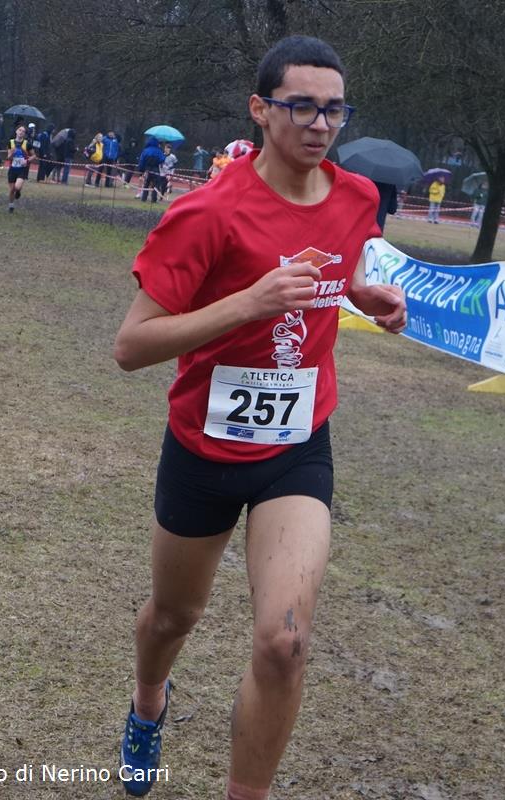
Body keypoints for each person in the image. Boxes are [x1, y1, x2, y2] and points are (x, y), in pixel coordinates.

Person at [112, 35, 407, 800]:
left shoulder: (357, 199)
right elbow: (131, 346)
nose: (320, 123)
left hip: (296, 445)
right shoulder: (208, 213)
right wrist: (248, 302)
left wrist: (361, 295)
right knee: (174, 617)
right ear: (260, 109)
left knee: (284, 643)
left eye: (333, 109)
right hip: (204, 447)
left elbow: (338, 267)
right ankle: (148, 702)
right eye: (301, 106)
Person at [5, 125, 33, 212]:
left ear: (24, 134)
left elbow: (34, 156)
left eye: (23, 131)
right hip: (12, 169)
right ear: (16, 131)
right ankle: (11, 205)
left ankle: (18, 191)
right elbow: (8, 158)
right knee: (12, 190)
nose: (21, 132)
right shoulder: (10, 142)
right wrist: (12, 153)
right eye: (20, 130)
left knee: (17, 187)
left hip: (22, 169)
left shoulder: (27, 144)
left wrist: (27, 161)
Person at [136, 136, 164, 202]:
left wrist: (141, 170)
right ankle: (154, 199)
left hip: (147, 170)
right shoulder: (159, 151)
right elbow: (162, 159)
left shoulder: (146, 150)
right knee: (155, 185)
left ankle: (144, 198)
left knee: (146, 184)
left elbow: (142, 161)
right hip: (156, 170)